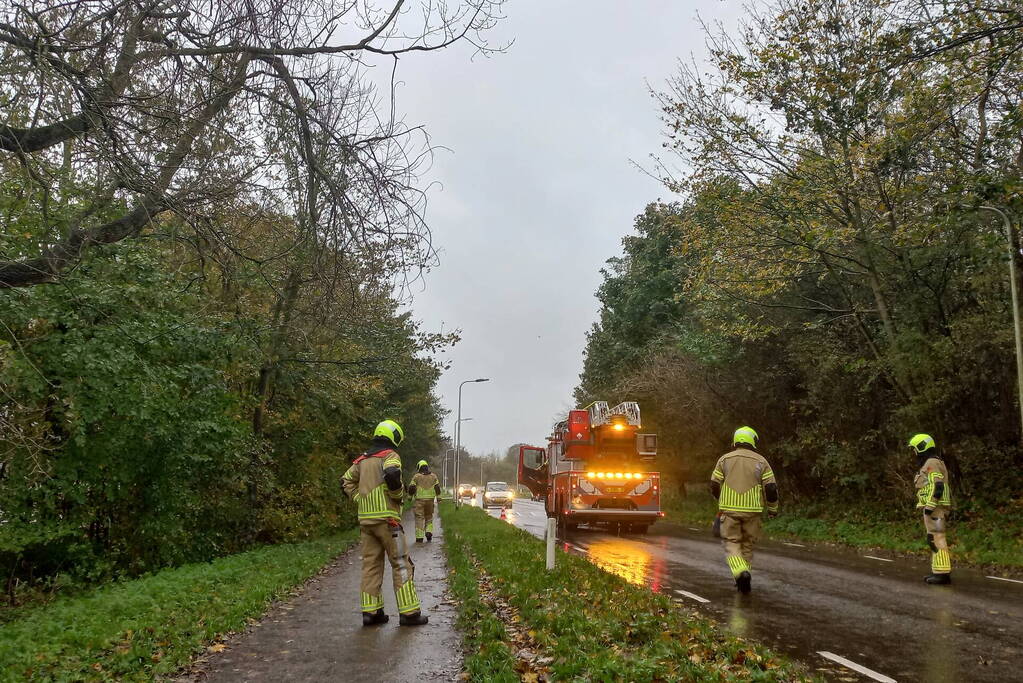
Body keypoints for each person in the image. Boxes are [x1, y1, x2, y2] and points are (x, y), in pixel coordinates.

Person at [341, 419, 428, 626]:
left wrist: (359, 499)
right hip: (388, 521)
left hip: (366, 521)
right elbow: (392, 473)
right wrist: (397, 495)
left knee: (371, 565)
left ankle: (371, 613)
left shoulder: (361, 459)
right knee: (400, 564)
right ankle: (409, 614)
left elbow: (344, 481)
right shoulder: (390, 455)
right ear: (394, 436)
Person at [710, 426, 779, 593]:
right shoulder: (762, 462)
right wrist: (772, 509)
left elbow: (714, 484)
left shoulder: (724, 460)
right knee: (747, 545)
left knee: (732, 544)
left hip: (730, 512)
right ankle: (744, 578)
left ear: (736, 440)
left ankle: (741, 573)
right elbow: (770, 489)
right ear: (753, 441)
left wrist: (721, 500)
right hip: (753, 512)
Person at [909, 433, 953, 585]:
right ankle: (939, 571)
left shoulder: (932, 463)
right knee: (934, 538)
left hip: (935, 509)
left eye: (915, 449)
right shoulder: (932, 461)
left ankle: (942, 574)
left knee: (937, 537)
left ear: (921, 447)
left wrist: (930, 506)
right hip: (935, 509)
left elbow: (938, 486)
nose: (914, 453)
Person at [409, 460, 441, 543]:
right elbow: (437, 487)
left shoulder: (416, 477)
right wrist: (438, 497)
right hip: (430, 501)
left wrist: (409, 497)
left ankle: (419, 537)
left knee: (419, 518)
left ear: (419, 467)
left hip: (419, 501)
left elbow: (412, 487)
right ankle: (429, 532)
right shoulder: (434, 476)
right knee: (429, 517)